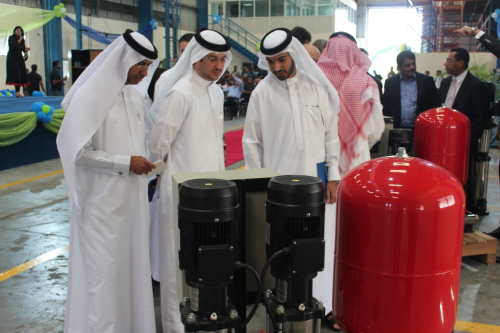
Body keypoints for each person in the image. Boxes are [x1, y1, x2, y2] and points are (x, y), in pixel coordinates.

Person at [57, 29, 159, 333]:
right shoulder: (91, 95)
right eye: (139, 66)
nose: (143, 73)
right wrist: (125, 163)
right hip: (101, 206)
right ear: (122, 60)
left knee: (131, 270)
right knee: (105, 275)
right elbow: (76, 151)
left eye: (147, 67)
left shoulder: (134, 96)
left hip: (133, 199)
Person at [242, 28, 341, 330]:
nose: (276, 68)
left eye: (281, 60)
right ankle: (281, 308)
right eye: (271, 62)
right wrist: (260, 186)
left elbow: (330, 137)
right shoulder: (262, 93)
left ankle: (322, 305)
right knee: (282, 247)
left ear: (294, 55)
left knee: (319, 244)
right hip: (279, 187)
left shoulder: (318, 88)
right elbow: (251, 144)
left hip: (316, 182)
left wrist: (333, 175)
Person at [149, 28, 232, 333]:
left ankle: (204, 318)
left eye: (222, 59)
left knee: (205, 261)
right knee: (177, 264)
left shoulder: (215, 91)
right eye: (212, 58)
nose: (218, 65)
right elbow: (158, 144)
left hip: (212, 193)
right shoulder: (182, 91)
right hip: (182, 192)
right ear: (197, 58)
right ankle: (174, 326)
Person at [318, 32, 384, 176]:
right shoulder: (367, 83)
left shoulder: (317, 82)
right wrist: (360, 142)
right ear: (355, 51)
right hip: (357, 153)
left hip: (322, 153)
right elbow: (376, 130)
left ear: (327, 50)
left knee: (325, 196)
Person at [383, 50, 438, 128]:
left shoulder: (426, 81)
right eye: (407, 65)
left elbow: (434, 106)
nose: (412, 67)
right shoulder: (390, 83)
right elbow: (386, 107)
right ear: (399, 68)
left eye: (413, 64)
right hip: (397, 128)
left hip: (421, 127)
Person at [154, 33, 194, 101]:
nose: (186, 54)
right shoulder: (166, 77)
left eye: (190, 50)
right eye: (182, 51)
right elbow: (159, 107)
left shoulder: (205, 78)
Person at [6, 26, 29, 97]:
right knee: (16, 74)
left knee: (21, 74)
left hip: (19, 58)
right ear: (14, 31)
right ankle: (17, 92)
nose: (19, 32)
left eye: (20, 31)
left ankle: (18, 91)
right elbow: (14, 46)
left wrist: (25, 50)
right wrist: (19, 40)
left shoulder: (22, 40)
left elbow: (21, 48)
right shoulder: (11, 38)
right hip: (12, 58)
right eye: (17, 30)